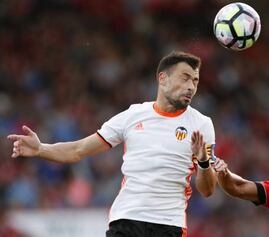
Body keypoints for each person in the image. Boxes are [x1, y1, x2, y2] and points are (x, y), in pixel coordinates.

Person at [7, 51, 218, 237]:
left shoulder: (201, 125)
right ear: (163, 78)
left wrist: (203, 162)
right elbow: (79, 150)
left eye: (196, 81)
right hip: (126, 219)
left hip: (168, 224)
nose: (191, 87)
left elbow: (208, 190)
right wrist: (40, 149)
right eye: (185, 78)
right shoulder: (133, 116)